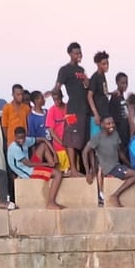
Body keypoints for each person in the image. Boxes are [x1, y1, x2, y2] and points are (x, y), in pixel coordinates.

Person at [84, 115, 135, 206]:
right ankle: (115, 195)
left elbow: (120, 153)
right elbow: (85, 152)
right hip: (109, 168)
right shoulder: (97, 137)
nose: (111, 125)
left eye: (112, 123)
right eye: (108, 124)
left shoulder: (115, 134)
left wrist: (130, 166)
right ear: (102, 125)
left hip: (117, 166)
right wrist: (87, 172)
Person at [52, 42, 90, 172]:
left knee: (82, 139)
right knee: (70, 139)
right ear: (70, 54)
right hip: (72, 110)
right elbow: (57, 86)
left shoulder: (81, 70)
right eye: (76, 53)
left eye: (80, 52)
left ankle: (83, 169)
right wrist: (52, 93)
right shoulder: (65, 70)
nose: (79, 55)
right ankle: (73, 169)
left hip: (83, 110)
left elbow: (87, 87)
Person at [7, 126, 65, 208]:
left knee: (42, 146)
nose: (22, 140)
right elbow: (29, 164)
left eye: (23, 137)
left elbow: (43, 139)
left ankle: (53, 167)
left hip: (30, 166)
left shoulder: (25, 140)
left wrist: (54, 154)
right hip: (27, 172)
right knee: (58, 174)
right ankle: (51, 202)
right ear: (15, 137)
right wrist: (48, 165)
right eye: (19, 138)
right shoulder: (14, 148)